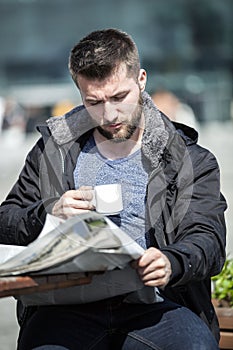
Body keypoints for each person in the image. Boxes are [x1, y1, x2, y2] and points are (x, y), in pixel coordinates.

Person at [0, 28, 227, 350]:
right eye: (94, 102)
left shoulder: (187, 158)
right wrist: (47, 213)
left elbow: (208, 238)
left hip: (157, 306)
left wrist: (171, 261)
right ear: (79, 92)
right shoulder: (53, 151)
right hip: (65, 309)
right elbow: (5, 221)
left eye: (119, 97)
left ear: (141, 80)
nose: (109, 115)